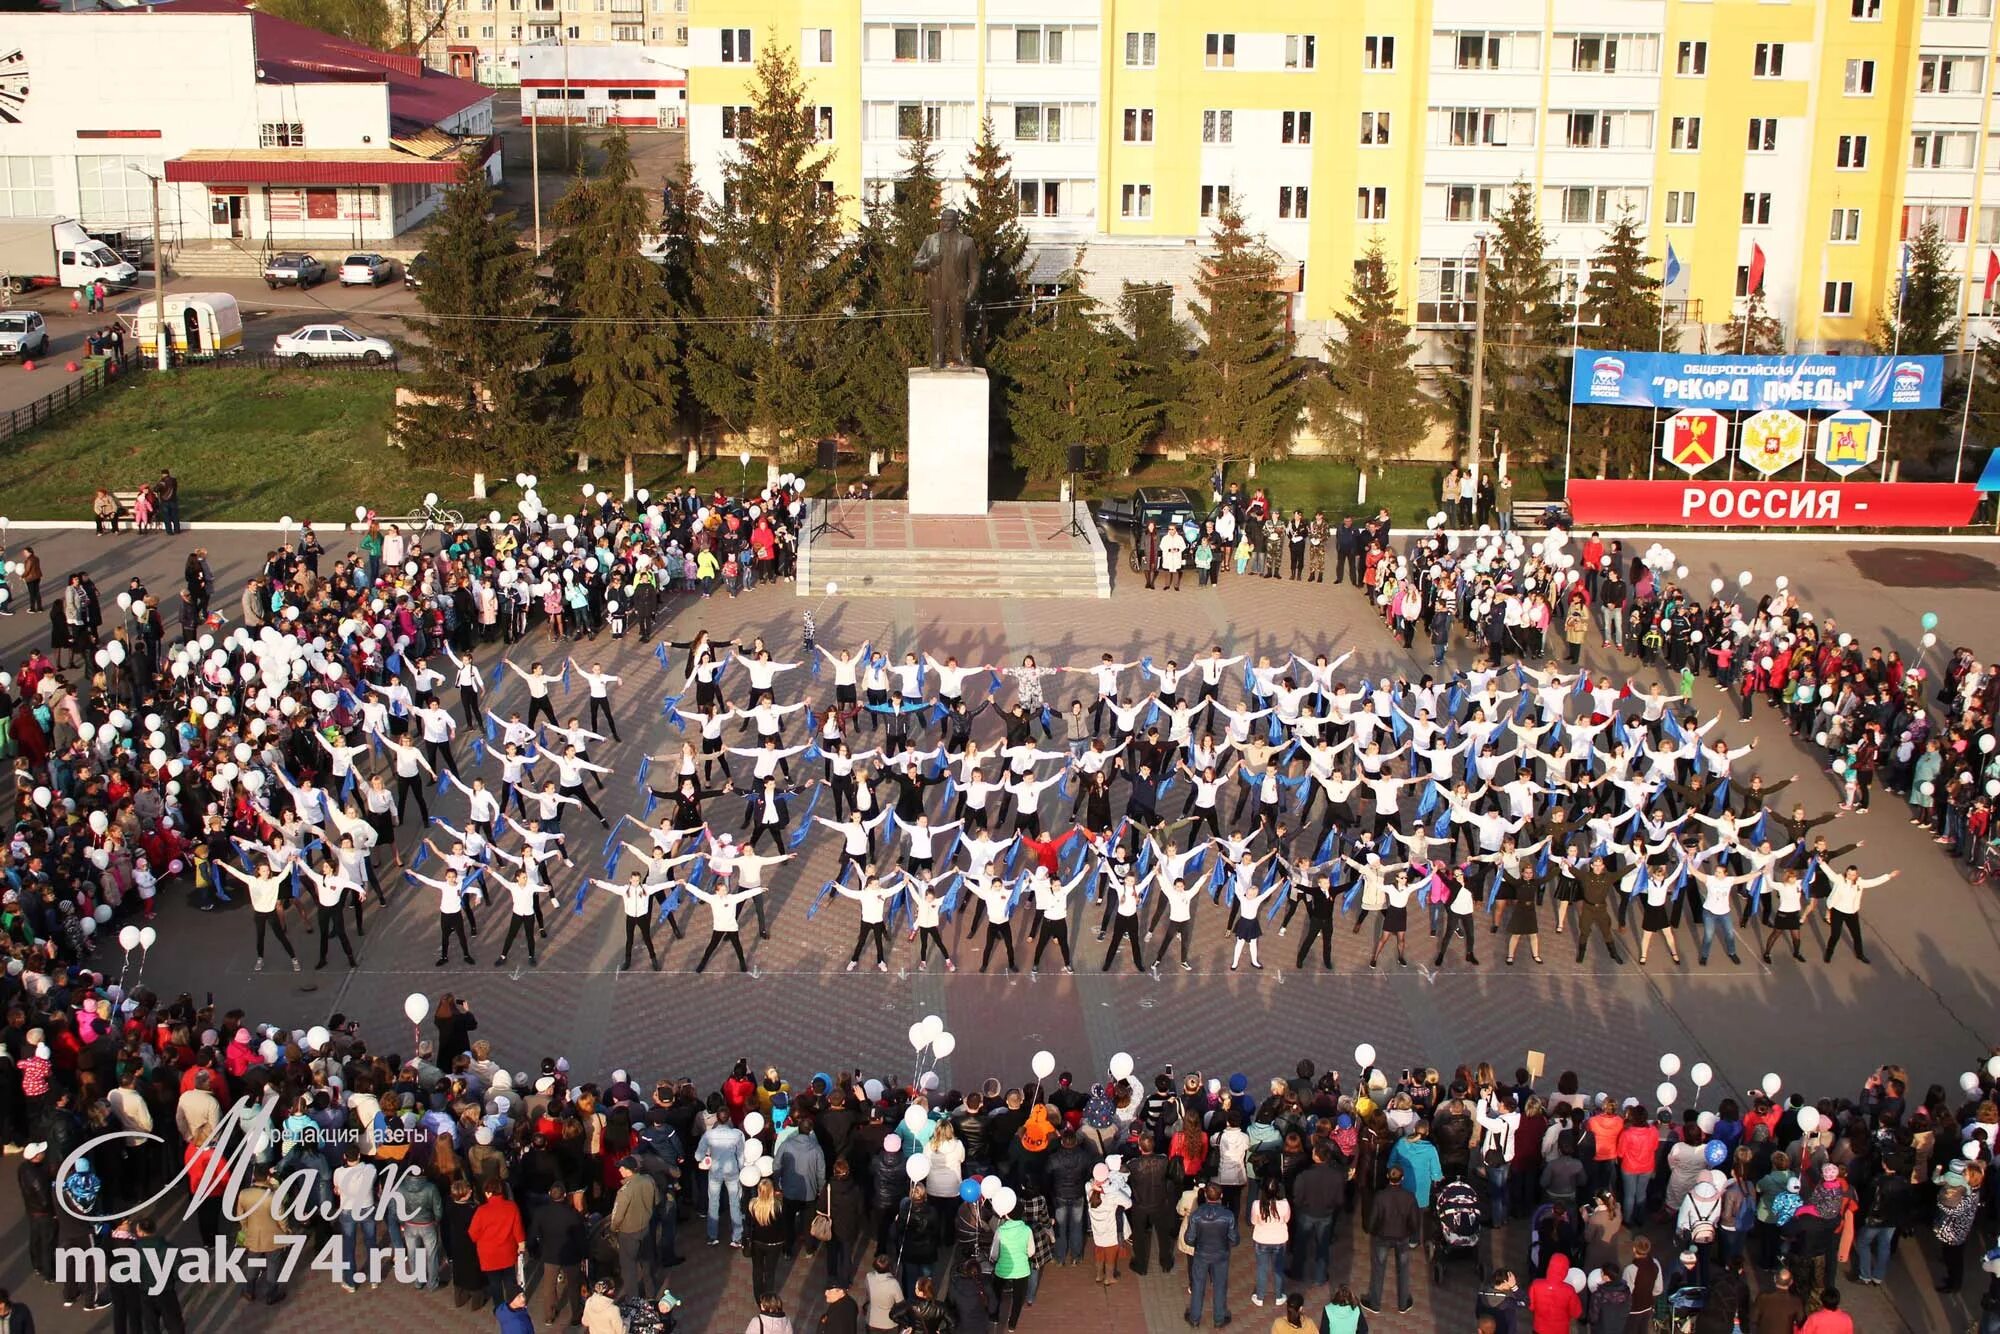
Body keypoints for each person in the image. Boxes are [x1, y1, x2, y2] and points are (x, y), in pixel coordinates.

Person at [1361, 1166, 1417, 1316]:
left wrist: (1373, 1231)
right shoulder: (1409, 1196)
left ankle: (1375, 1302)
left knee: (1378, 1269)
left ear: (1387, 1176)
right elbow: (1414, 1221)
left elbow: (1373, 1219)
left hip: (1382, 1237)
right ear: (1402, 1178)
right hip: (1402, 1237)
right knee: (1403, 1270)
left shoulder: (1380, 1196)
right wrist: (1409, 1232)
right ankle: (1403, 1303)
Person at [1185, 1183, 1239, 1328]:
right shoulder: (1228, 1215)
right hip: (1221, 1255)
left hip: (1201, 1254)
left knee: (1197, 1286)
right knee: (1220, 1286)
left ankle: (1195, 1318)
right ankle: (1219, 1319)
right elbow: (1234, 1240)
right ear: (1221, 1196)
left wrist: (1199, 1244)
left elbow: (1189, 1239)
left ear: (1205, 1196)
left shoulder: (1196, 1214)